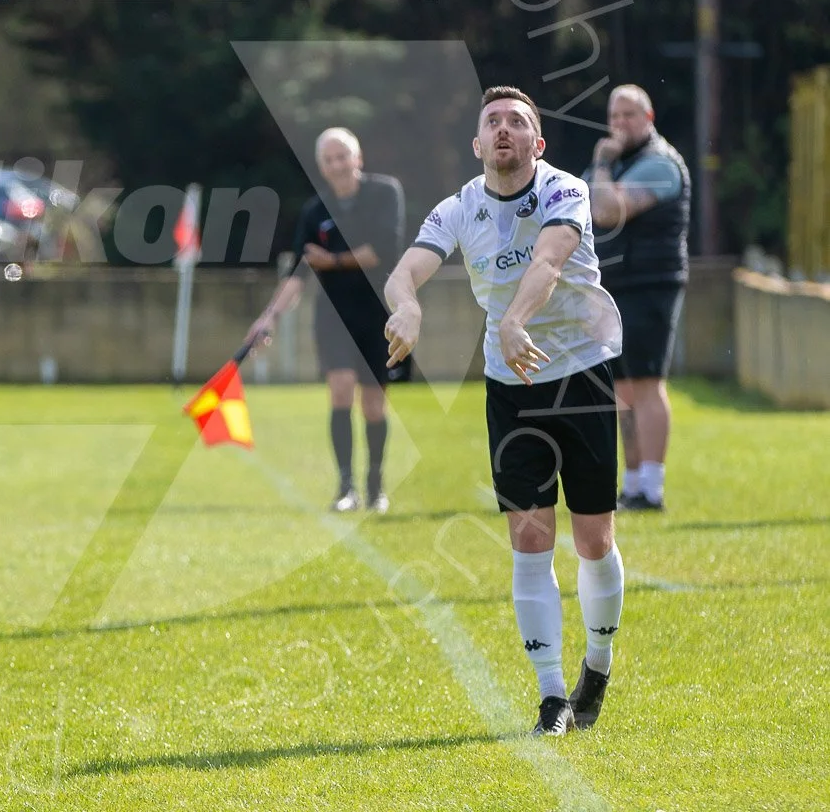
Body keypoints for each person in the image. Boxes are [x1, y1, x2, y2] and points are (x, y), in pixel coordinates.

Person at [383, 87, 626, 736]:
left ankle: (597, 665)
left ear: (537, 143)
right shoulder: (459, 207)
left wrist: (515, 319)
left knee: (594, 538)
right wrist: (407, 305)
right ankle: (552, 696)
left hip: (581, 373)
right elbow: (403, 272)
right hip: (511, 388)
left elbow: (548, 261)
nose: (503, 130)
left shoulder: (565, 190)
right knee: (529, 536)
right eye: (492, 121)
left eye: (517, 122)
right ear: (477, 144)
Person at [249, 128, 406, 513]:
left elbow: (383, 251)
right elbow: (299, 274)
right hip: (333, 317)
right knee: (340, 391)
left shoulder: (385, 193)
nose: (337, 165)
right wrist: (268, 318)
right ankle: (346, 488)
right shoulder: (314, 211)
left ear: (358, 158)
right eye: (329, 160)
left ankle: (375, 487)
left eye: (342, 156)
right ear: (321, 167)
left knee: (374, 404)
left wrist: (332, 260)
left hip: (378, 314)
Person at [584, 84, 691, 512]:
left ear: (649, 118)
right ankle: (631, 486)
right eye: (613, 116)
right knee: (622, 388)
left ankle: (652, 488)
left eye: (629, 115)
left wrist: (600, 163)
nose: (619, 124)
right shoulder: (619, 163)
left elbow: (606, 211)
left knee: (646, 383)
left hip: (651, 284)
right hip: (617, 286)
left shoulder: (660, 164)